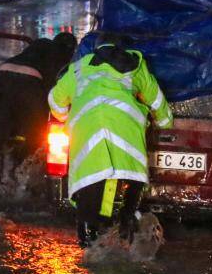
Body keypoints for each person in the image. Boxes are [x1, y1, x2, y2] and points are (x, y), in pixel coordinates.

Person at [47, 32, 173, 247]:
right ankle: (127, 221)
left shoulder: (78, 69)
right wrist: (164, 123)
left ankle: (89, 243)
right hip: (125, 128)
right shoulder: (135, 65)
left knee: (89, 185)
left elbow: (55, 100)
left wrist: (67, 116)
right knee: (133, 177)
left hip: (87, 130)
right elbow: (156, 100)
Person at [0, 32, 77, 164]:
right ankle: (25, 170)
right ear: (71, 50)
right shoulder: (63, 59)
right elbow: (56, 95)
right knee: (36, 137)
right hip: (29, 83)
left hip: (0, 78)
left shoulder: (40, 43)